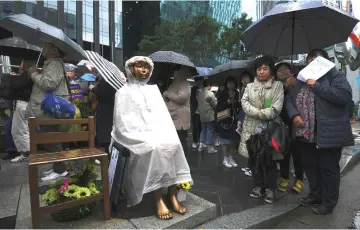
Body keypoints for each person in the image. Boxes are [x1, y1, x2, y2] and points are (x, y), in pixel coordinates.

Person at [111, 56, 193, 220]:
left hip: (156, 131)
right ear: (130, 68)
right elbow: (122, 121)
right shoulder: (122, 92)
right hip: (134, 134)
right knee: (154, 148)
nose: (143, 70)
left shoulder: (153, 90)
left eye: (147, 67)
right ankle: (158, 198)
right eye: (139, 66)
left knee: (172, 144)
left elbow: (163, 117)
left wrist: (161, 132)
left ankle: (172, 194)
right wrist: (143, 132)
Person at [286, 49, 354, 215]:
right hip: (306, 132)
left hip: (329, 132)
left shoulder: (335, 76)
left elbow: (344, 96)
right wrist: (294, 114)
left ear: (326, 62)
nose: (313, 63)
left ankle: (328, 203)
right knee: (310, 166)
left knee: (328, 168)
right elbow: (289, 99)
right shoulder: (301, 79)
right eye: (310, 60)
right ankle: (315, 194)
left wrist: (317, 86)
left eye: (317, 60)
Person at [240, 56, 284, 204]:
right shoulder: (249, 86)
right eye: (259, 69)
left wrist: (264, 113)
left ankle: (271, 189)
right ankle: (259, 186)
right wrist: (257, 112)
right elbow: (244, 102)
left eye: (265, 68)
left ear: (271, 69)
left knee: (269, 159)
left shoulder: (277, 86)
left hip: (270, 128)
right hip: (252, 127)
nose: (261, 72)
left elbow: (276, 106)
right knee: (254, 159)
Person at [27, 42, 69, 182]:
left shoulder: (55, 64)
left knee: (52, 140)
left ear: (54, 50)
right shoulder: (52, 64)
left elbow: (49, 84)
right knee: (51, 140)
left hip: (48, 109)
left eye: (45, 46)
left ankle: (60, 170)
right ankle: (57, 167)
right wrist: (40, 72)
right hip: (48, 108)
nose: (43, 48)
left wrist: (34, 74)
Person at [275, 62, 304, 194]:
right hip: (281, 124)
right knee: (284, 153)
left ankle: (299, 179)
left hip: (297, 123)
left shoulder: (298, 81)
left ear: (290, 70)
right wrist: (284, 88)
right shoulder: (275, 86)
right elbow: (269, 104)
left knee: (297, 153)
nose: (283, 71)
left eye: (285, 69)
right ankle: (284, 177)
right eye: (279, 70)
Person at [163, 65, 192, 151]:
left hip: (180, 117)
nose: (175, 72)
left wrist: (167, 94)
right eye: (174, 70)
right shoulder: (173, 83)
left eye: (177, 70)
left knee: (181, 140)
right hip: (172, 116)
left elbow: (181, 98)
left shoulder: (184, 83)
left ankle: (182, 160)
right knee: (173, 140)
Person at [216, 76, 240, 168]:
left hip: (235, 119)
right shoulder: (223, 93)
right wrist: (226, 103)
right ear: (226, 84)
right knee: (225, 140)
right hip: (224, 120)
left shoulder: (238, 93)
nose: (231, 85)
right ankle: (225, 158)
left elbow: (240, 105)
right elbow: (218, 107)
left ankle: (231, 157)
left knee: (234, 140)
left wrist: (235, 103)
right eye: (229, 83)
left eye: (232, 83)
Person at [90, 77, 117, 160]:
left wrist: (92, 88)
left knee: (103, 132)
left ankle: (104, 154)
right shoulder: (114, 82)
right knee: (109, 132)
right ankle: (109, 155)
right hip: (112, 109)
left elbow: (98, 92)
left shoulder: (104, 81)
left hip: (103, 110)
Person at [237, 71, 254, 176]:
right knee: (249, 143)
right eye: (242, 77)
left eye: (246, 77)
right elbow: (242, 107)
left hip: (255, 119)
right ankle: (250, 166)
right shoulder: (243, 90)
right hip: (246, 119)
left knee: (254, 144)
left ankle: (254, 168)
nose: (244, 80)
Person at [197, 79, 218, 153]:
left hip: (201, 115)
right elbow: (215, 104)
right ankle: (210, 148)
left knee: (203, 130)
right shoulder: (210, 94)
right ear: (208, 85)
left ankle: (200, 145)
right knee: (210, 130)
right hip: (209, 115)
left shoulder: (199, 93)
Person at [190, 76, 204, 149]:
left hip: (203, 110)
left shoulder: (205, 89)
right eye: (196, 81)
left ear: (202, 81)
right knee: (195, 126)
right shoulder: (193, 89)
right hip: (195, 110)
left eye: (199, 81)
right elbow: (191, 100)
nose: (198, 82)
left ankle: (201, 141)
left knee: (202, 127)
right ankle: (195, 141)